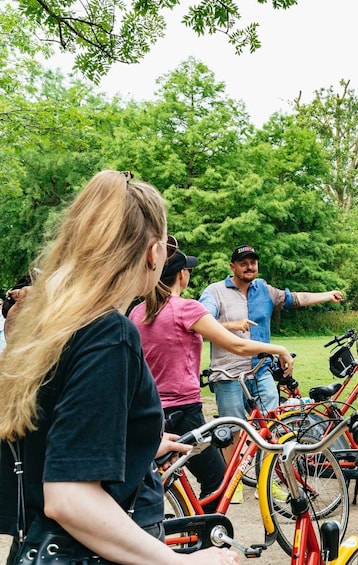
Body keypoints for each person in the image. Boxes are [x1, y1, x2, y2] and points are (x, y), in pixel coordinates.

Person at [0, 170, 238, 565]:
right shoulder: (110, 333)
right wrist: (181, 563)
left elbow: (51, 437)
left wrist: (131, 444)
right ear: (152, 252)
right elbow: (69, 495)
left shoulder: (48, 325)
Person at [129, 243, 294, 507]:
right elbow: (236, 344)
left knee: (158, 478)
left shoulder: (138, 312)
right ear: (182, 275)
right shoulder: (186, 309)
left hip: (149, 412)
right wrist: (278, 348)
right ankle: (202, 539)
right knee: (216, 480)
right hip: (184, 412)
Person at [198, 245, 343, 421]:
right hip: (228, 374)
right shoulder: (215, 291)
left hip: (261, 372)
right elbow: (201, 323)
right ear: (232, 267)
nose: (249, 267)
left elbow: (295, 299)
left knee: (272, 426)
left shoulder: (264, 290)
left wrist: (327, 295)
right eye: (243, 263)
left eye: (253, 262)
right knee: (232, 430)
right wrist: (232, 325)